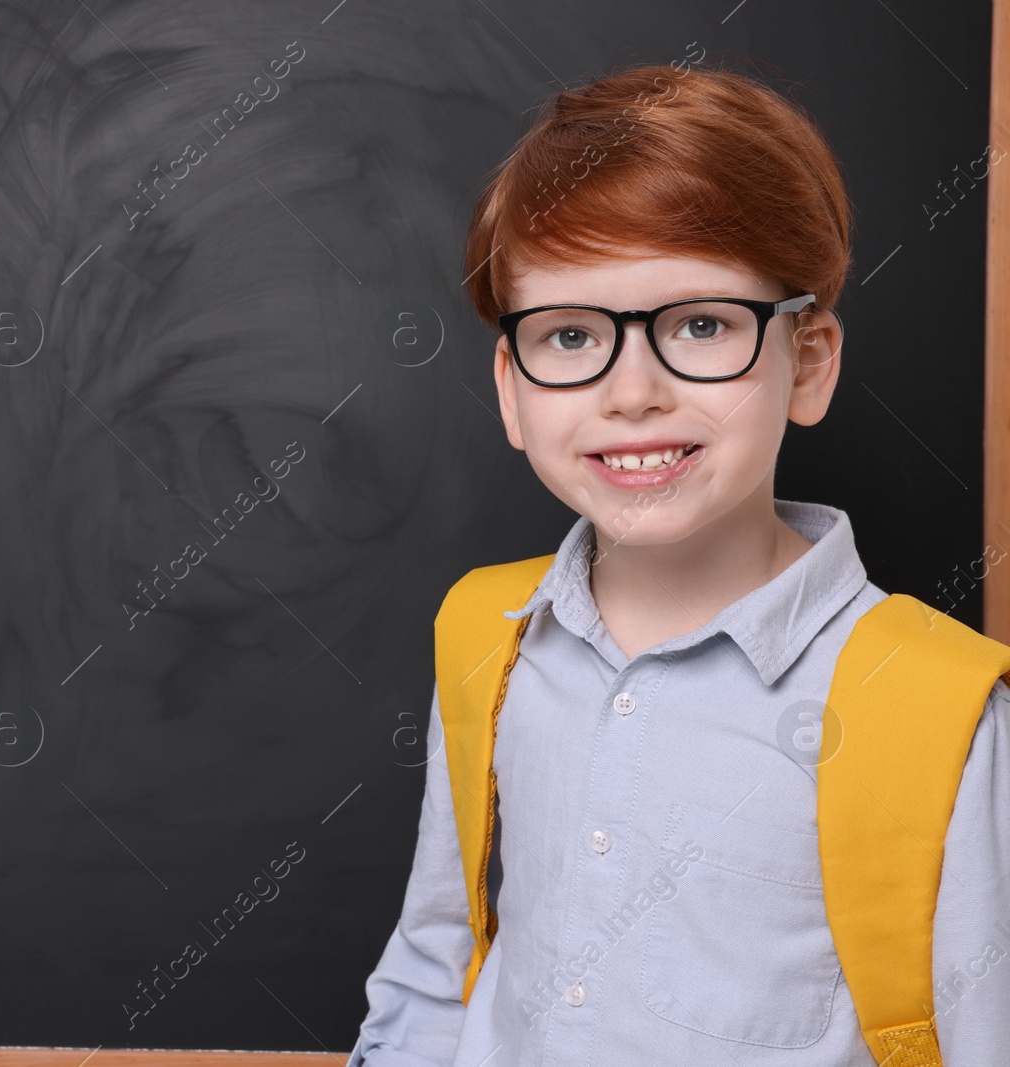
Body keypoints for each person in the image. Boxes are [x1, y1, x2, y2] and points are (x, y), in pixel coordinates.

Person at [345, 61, 1010, 1066]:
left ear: (809, 361)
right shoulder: (486, 630)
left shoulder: (940, 706)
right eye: (569, 335)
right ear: (513, 389)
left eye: (700, 324)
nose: (633, 390)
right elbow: (438, 960)